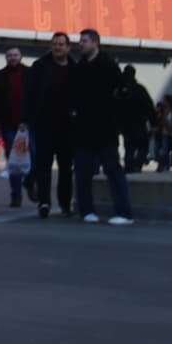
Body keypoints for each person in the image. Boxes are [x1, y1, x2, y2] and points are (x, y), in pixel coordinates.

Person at [71, 29, 132, 224]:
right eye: (80, 41)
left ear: (95, 43)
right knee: (82, 171)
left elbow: (122, 92)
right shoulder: (80, 67)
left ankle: (124, 212)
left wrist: (114, 114)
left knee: (112, 169)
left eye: (85, 41)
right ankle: (86, 210)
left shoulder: (108, 65)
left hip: (105, 128)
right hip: (83, 128)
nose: (81, 44)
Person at [23, 32, 75, 217]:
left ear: (68, 47)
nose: (57, 48)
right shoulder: (40, 67)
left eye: (61, 45)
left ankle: (65, 203)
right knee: (43, 165)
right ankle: (44, 202)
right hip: (44, 124)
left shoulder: (75, 68)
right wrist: (28, 118)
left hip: (67, 126)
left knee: (66, 166)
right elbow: (29, 93)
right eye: (54, 44)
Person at [0, 47, 28, 207]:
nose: (13, 58)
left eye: (15, 55)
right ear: (6, 57)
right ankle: (16, 194)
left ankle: (31, 182)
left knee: (34, 158)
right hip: (8, 124)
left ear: (21, 56)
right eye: (10, 55)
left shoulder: (30, 74)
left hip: (28, 124)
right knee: (14, 161)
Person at [115, 65, 156, 173]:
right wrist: (154, 122)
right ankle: (137, 164)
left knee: (129, 146)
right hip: (139, 122)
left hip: (125, 123)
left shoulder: (120, 91)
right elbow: (149, 106)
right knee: (143, 145)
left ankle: (129, 166)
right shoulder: (139, 89)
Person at [155, 95, 172, 171]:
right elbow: (158, 119)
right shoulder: (162, 109)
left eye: (165, 100)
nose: (164, 102)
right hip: (164, 133)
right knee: (164, 150)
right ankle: (165, 165)